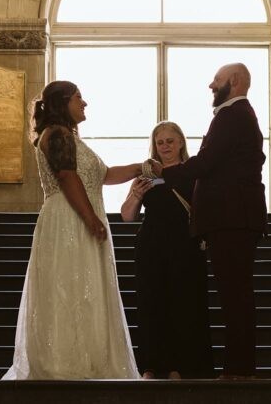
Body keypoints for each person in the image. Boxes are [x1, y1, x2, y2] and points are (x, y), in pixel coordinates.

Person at [3, 80, 144, 380]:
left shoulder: (73, 139)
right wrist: (91, 218)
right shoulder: (56, 134)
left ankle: (92, 358)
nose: (85, 102)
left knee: (87, 288)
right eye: (79, 97)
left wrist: (141, 168)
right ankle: (64, 361)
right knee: (68, 287)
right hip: (68, 219)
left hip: (78, 215)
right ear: (62, 102)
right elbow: (67, 176)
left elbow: (104, 176)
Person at [151, 63, 267, 379]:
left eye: (216, 79)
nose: (210, 85)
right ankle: (238, 369)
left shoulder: (233, 115)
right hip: (235, 217)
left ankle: (239, 372)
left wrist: (169, 174)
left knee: (235, 297)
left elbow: (208, 161)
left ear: (235, 81)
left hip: (232, 218)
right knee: (235, 296)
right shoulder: (239, 115)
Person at [121, 121, 214, 380]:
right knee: (152, 305)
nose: (165, 147)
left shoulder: (192, 172)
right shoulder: (146, 175)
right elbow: (127, 216)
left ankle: (179, 366)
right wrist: (136, 195)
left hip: (184, 246)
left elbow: (203, 210)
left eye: (170, 141)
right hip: (151, 246)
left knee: (183, 306)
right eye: (160, 142)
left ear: (181, 142)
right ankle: (151, 366)